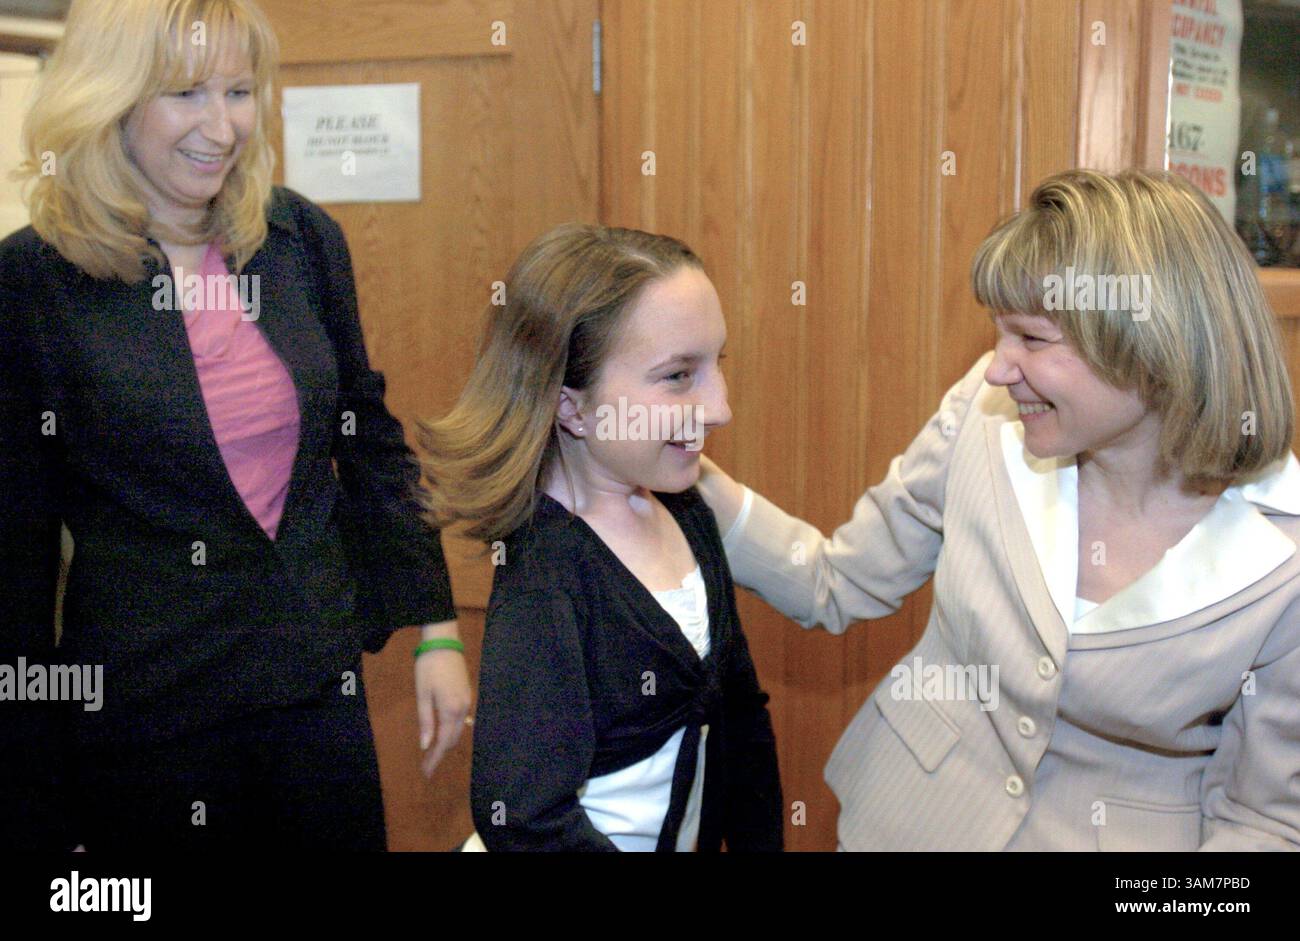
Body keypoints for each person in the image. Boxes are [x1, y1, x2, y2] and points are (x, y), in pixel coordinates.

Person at [697, 168, 1300, 850]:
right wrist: (685, 474)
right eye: (998, 334)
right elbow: (834, 580)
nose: (995, 368)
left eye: (1032, 339)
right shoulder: (983, 421)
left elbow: (1264, 823)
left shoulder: (1282, 564)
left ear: (1153, 349)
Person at [0, 0, 470, 851]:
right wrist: (33, 798)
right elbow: (14, 552)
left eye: (240, 91)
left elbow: (368, 437)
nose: (222, 127)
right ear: (113, 97)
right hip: (147, 719)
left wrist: (435, 628)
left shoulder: (296, 238)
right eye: (186, 93)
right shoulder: (33, 282)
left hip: (312, 693)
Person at [421, 224, 784, 851]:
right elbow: (525, 816)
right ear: (573, 407)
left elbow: (740, 717)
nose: (719, 406)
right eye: (678, 376)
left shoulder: (687, 510)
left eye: (715, 365)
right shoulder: (548, 574)